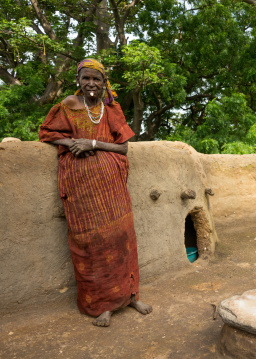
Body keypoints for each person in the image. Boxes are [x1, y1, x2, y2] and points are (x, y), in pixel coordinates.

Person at [39, 59, 152, 327]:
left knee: (122, 239)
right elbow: (46, 133)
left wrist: (92, 143)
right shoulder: (68, 105)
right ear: (78, 80)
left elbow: (123, 148)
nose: (91, 83)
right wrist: (71, 142)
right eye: (86, 78)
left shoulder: (111, 109)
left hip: (113, 190)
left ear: (104, 83)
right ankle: (103, 306)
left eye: (97, 79)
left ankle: (131, 296)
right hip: (83, 192)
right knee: (92, 246)